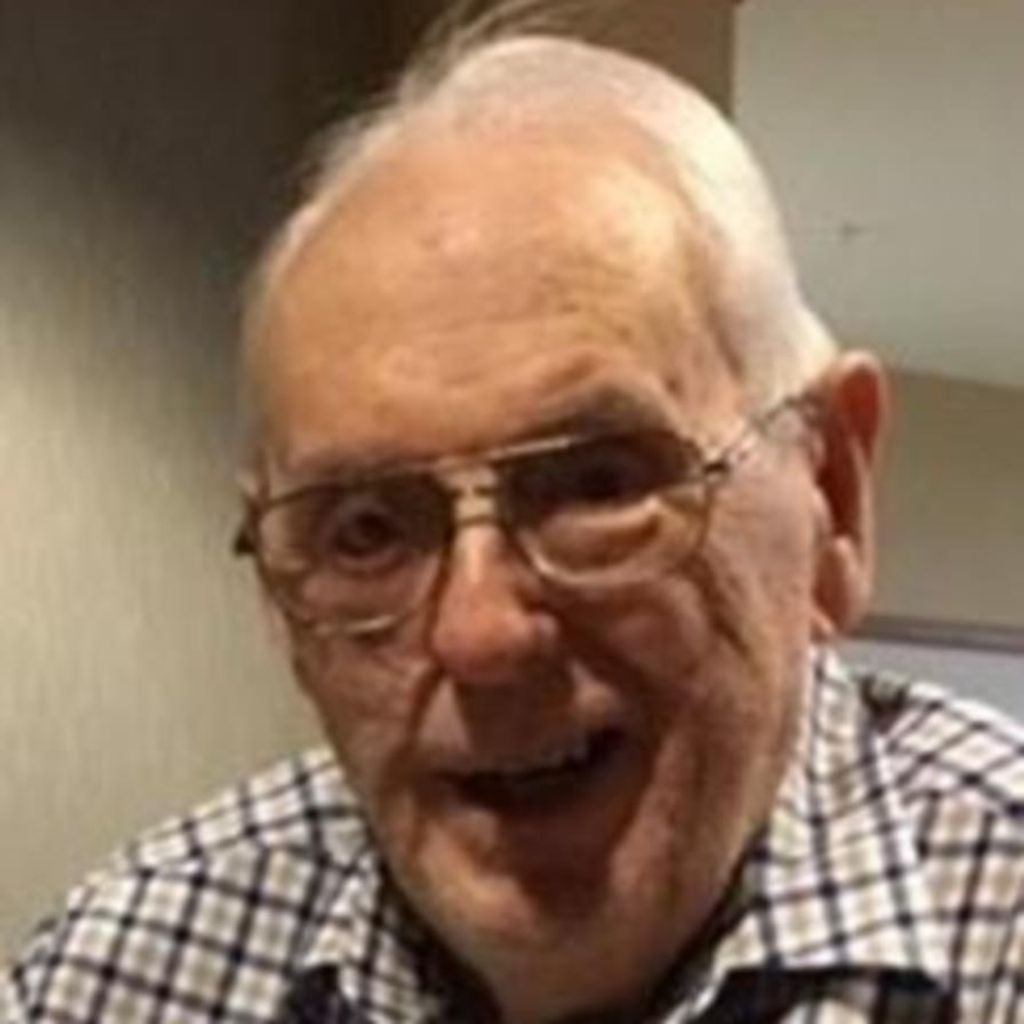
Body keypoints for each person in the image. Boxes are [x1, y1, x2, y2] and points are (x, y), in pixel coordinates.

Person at [5, 20, 1024, 1024]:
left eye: (595, 485)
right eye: (366, 530)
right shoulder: (111, 978)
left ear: (830, 497)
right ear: (279, 603)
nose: (480, 634)